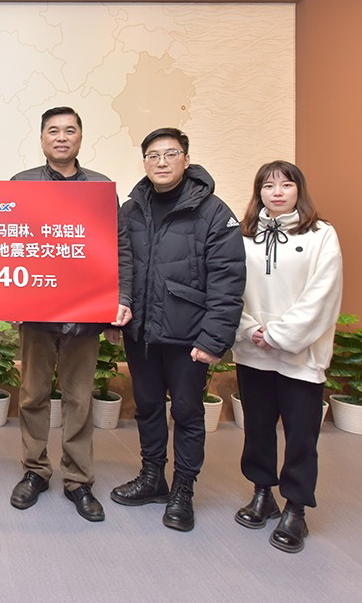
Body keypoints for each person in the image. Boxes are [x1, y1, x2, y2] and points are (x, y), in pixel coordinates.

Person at [112, 127, 245, 532]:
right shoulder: (131, 209)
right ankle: (153, 477)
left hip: (189, 337)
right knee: (148, 407)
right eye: (153, 155)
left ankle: (183, 490)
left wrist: (213, 340)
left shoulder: (213, 212)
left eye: (170, 154)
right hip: (142, 333)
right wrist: (112, 315)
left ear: (186, 159)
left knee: (187, 413)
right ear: (144, 162)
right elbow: (118, 266)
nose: (162, 162)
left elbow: (228, 280)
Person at [8, 107, 131, 522]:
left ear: (80, 137)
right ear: (42, 138)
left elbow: (118, 247)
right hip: (36, 312)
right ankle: (35, 471)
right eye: (53, 131)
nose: (61, 137)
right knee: (33, 395)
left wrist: (120, 298)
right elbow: (7, 242)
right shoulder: (22, 184)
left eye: (69, 130)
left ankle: (79, 480)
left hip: (85, 313)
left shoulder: (100, 188)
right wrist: (7, 299)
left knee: (79, 398)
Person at [232, 160, 342, 553]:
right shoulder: (243, 235)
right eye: (268, 186)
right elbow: (230, 288)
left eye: (286, 184)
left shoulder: (321, 234)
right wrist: (250, 330)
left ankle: (296, 508)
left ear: (299, 190)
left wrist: (279, 335)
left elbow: (322, 295)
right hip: (253, 350)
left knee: (300, 435)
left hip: (301, 354)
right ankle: (262, 493)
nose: (277, 192)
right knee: (257, 427)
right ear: (258, 192)